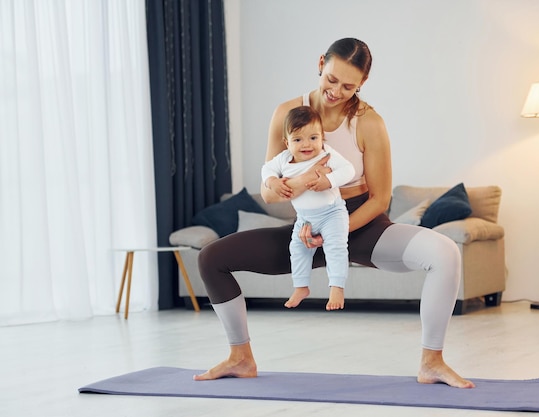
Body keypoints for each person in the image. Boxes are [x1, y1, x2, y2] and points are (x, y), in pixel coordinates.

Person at [193, 37, 475, 388]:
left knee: (445, 252)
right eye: (331, 79)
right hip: (308, 228)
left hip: (362, 224)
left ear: (362, 84)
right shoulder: (287, 114)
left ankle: (432, 362)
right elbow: (269, 185)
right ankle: (240, 357)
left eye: (348, 86)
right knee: (210, 258)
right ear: (321, 62)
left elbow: (380, 199)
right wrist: (278, 189)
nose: (336, 91)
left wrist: (334, 234)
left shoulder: (368, 122)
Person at [262, 106, 355, 311]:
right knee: (297, 249)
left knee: (336, 247)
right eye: (298, 140)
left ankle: (337, 287)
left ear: (322, 138)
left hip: (332, 212)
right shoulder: (283, 159)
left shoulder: (327, 153)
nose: (307, 145)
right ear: (287, 143)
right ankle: (301, 286)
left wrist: (329, 181)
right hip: (304, 218)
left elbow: (349, 170)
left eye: (313, 138)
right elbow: (266, 169)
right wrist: (272, 182)